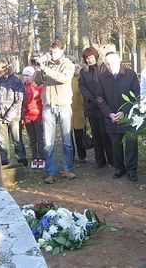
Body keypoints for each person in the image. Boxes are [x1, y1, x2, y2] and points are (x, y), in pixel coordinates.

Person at [34, 39, 75, 184]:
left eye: (55, 51)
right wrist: (39, 69)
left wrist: (46, 69)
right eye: (51, 51)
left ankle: (68, 169)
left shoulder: (67, 64)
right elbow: (37, 81)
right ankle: (51, 172)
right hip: (48, 106)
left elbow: (63, 78)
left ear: (62, 51)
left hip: (63, 104)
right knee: (48, 142)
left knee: (67, 140)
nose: (53, 54)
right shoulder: (46, 63)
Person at [97, 52, 140, 182]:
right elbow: (100, 97)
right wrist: (109, 113)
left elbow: (136, 96)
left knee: (131, 144)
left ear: (119, 61)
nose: (110, 66)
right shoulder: (102, 77)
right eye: (107, 64)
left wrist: (124, 112)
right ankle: (119, 168)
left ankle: (132, 170)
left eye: (113, 63)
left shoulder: (130, 74)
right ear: (105, 64)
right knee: (116, 145)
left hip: (129, 116)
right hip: (112, 117)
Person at [79, 47, 113, 169]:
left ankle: (111, 159)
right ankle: (100, 160)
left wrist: (101, 99)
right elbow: (82, 87)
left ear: (96, 57)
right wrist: (91, 99)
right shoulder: (84, 72)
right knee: (96, 135)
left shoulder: (103, 68)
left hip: (104, 106)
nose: (89, 60)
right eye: (87, 58)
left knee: (105, 134)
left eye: (91, 57)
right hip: (92, 107)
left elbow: (107, 85)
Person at [0, 59, 27, 167]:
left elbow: (19, 100)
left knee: (17, 141)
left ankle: (22, 163)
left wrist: (9, 116)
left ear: (5, 70)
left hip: (14, 118)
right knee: (2, 142)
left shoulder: (16, 80)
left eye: (0, 72)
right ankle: (4, 163)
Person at [21, 66, 45, 169]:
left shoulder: (39, 87)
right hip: (27, 116)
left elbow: (42, 103)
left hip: (37, 116)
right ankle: (34, 157)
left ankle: (42, 157)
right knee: (32, 139)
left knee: (39, 138)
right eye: (24, 75)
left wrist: (43, 117)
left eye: (28, 75)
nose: (26, 78)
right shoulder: (22, 87)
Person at [72, 63, 87, 163]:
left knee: (79, 134)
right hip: (69, 110)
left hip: (79, 111)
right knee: (68, 136)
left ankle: (82, 155)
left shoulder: (80, 79)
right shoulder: (67, 79)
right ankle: (70, 155)